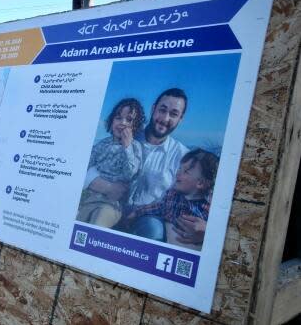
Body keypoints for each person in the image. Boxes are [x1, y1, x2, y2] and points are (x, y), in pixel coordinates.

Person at [87, 88, 206, 243]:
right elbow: (91, 162)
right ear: (153, 109)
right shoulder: (127, 135)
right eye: (162, 110)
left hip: (145, 219)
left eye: (174, 114)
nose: (165, 118)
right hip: (109, 204)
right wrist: (108, 187)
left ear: (181, 119)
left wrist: (206, 227)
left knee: (153, 229)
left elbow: (201, 191)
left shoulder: (183, 156)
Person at [126, 149, 219, 248]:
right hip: (168, 240)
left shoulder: (209, 207)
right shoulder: (173, 195)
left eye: (186, 171)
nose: (178, 173)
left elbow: (219, 228)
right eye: (180, 168)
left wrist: (209, 232)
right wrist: (137, 212)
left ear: (200, 183)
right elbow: (160, 207)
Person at [77, 98, 145, 227]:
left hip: (112, 204)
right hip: (90, 199)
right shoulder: (101, 144)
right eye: (118, 118)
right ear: (111, 120)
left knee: (97, 223)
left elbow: (130, 174)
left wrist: (127, 147)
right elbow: (85, 168)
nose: (122, 123)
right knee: (79, 223)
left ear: (135, 126)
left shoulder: (135, 147)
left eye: (129, 120)